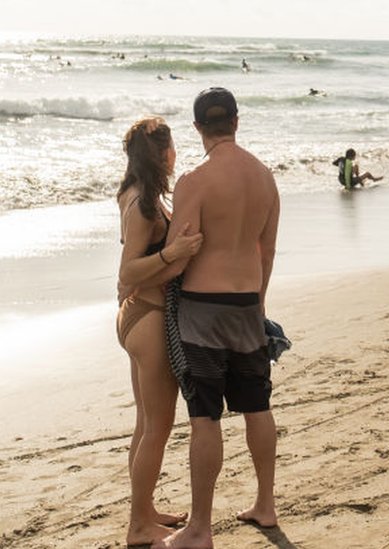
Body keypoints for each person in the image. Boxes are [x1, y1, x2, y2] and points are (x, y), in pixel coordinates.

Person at [155, 87, 281, 548]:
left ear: (197, 129)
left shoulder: (194, 180)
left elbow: (179, 257)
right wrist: (259, 302)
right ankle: (265, 504)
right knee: (258, 407)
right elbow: (266, 251)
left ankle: (200, 528)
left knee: (205, 417)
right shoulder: (265, 177)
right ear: (236, 122)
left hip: (202, 313)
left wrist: (138, 276)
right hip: (248, 304)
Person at [116, 116, 203, 546]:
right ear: (160, 153)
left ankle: (144, 509)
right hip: (147, 320)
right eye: (171, 147)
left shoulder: (135, 194)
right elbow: (128, 269)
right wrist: (174, 252)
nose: (176, 154)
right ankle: (138, 525)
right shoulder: (145, 206)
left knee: (144, 423)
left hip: (136, 315)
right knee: (159, 426)